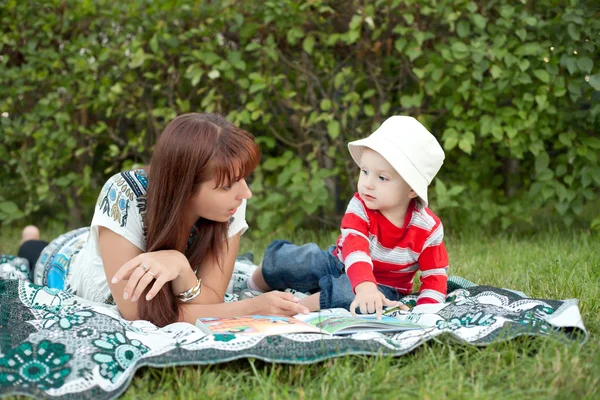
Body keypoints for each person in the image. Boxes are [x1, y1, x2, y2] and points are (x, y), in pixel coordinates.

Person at [15, 113, 309, 327]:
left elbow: (208, 299)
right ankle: (30, 238)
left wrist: (180, 265)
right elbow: (138, 314)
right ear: (185, 187)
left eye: (243, 179)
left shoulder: (231, 203)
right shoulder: (123, 194)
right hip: (69, 262)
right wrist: (252, 307)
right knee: (34, 253)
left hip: (116, 238)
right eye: (228, 185)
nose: (246, 192)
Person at [248, 116, 449, 318]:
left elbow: (435, 274)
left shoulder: (428, 228)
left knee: (349, 296)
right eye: (364, 171)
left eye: (382, 178)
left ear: (412, 189)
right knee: (298, 260)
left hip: (384, 285)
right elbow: (355, 248)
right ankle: (254, 282)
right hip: (339, 262)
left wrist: (426, 311)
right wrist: (364, 285)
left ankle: (299, 307)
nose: (368, 184)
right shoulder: (360, 206)